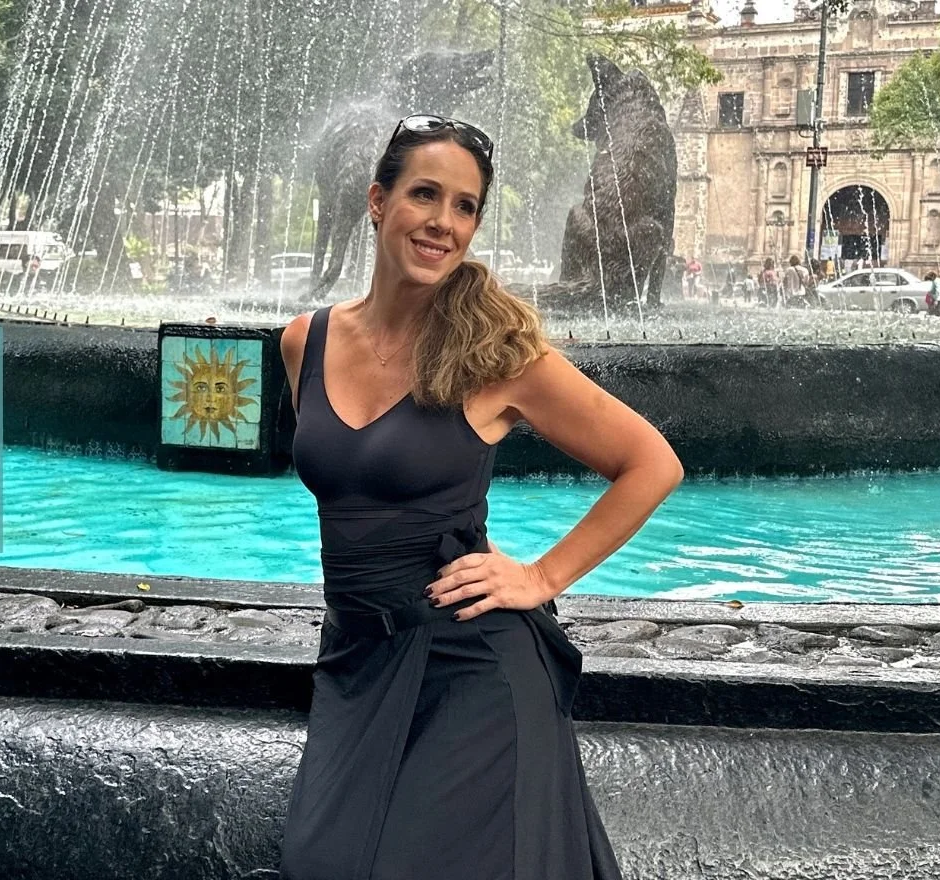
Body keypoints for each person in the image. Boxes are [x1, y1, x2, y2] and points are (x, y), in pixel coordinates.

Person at [277, 114, 683, 880]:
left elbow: (651, 463)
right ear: (376, 201)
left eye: (465, 207)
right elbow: (360, 491)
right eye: (425, 195)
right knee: (319, 863)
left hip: (471, 661)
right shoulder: (306, 341)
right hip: (357, 659)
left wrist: (539, 577)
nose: (443, 223)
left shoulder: (495, 355)